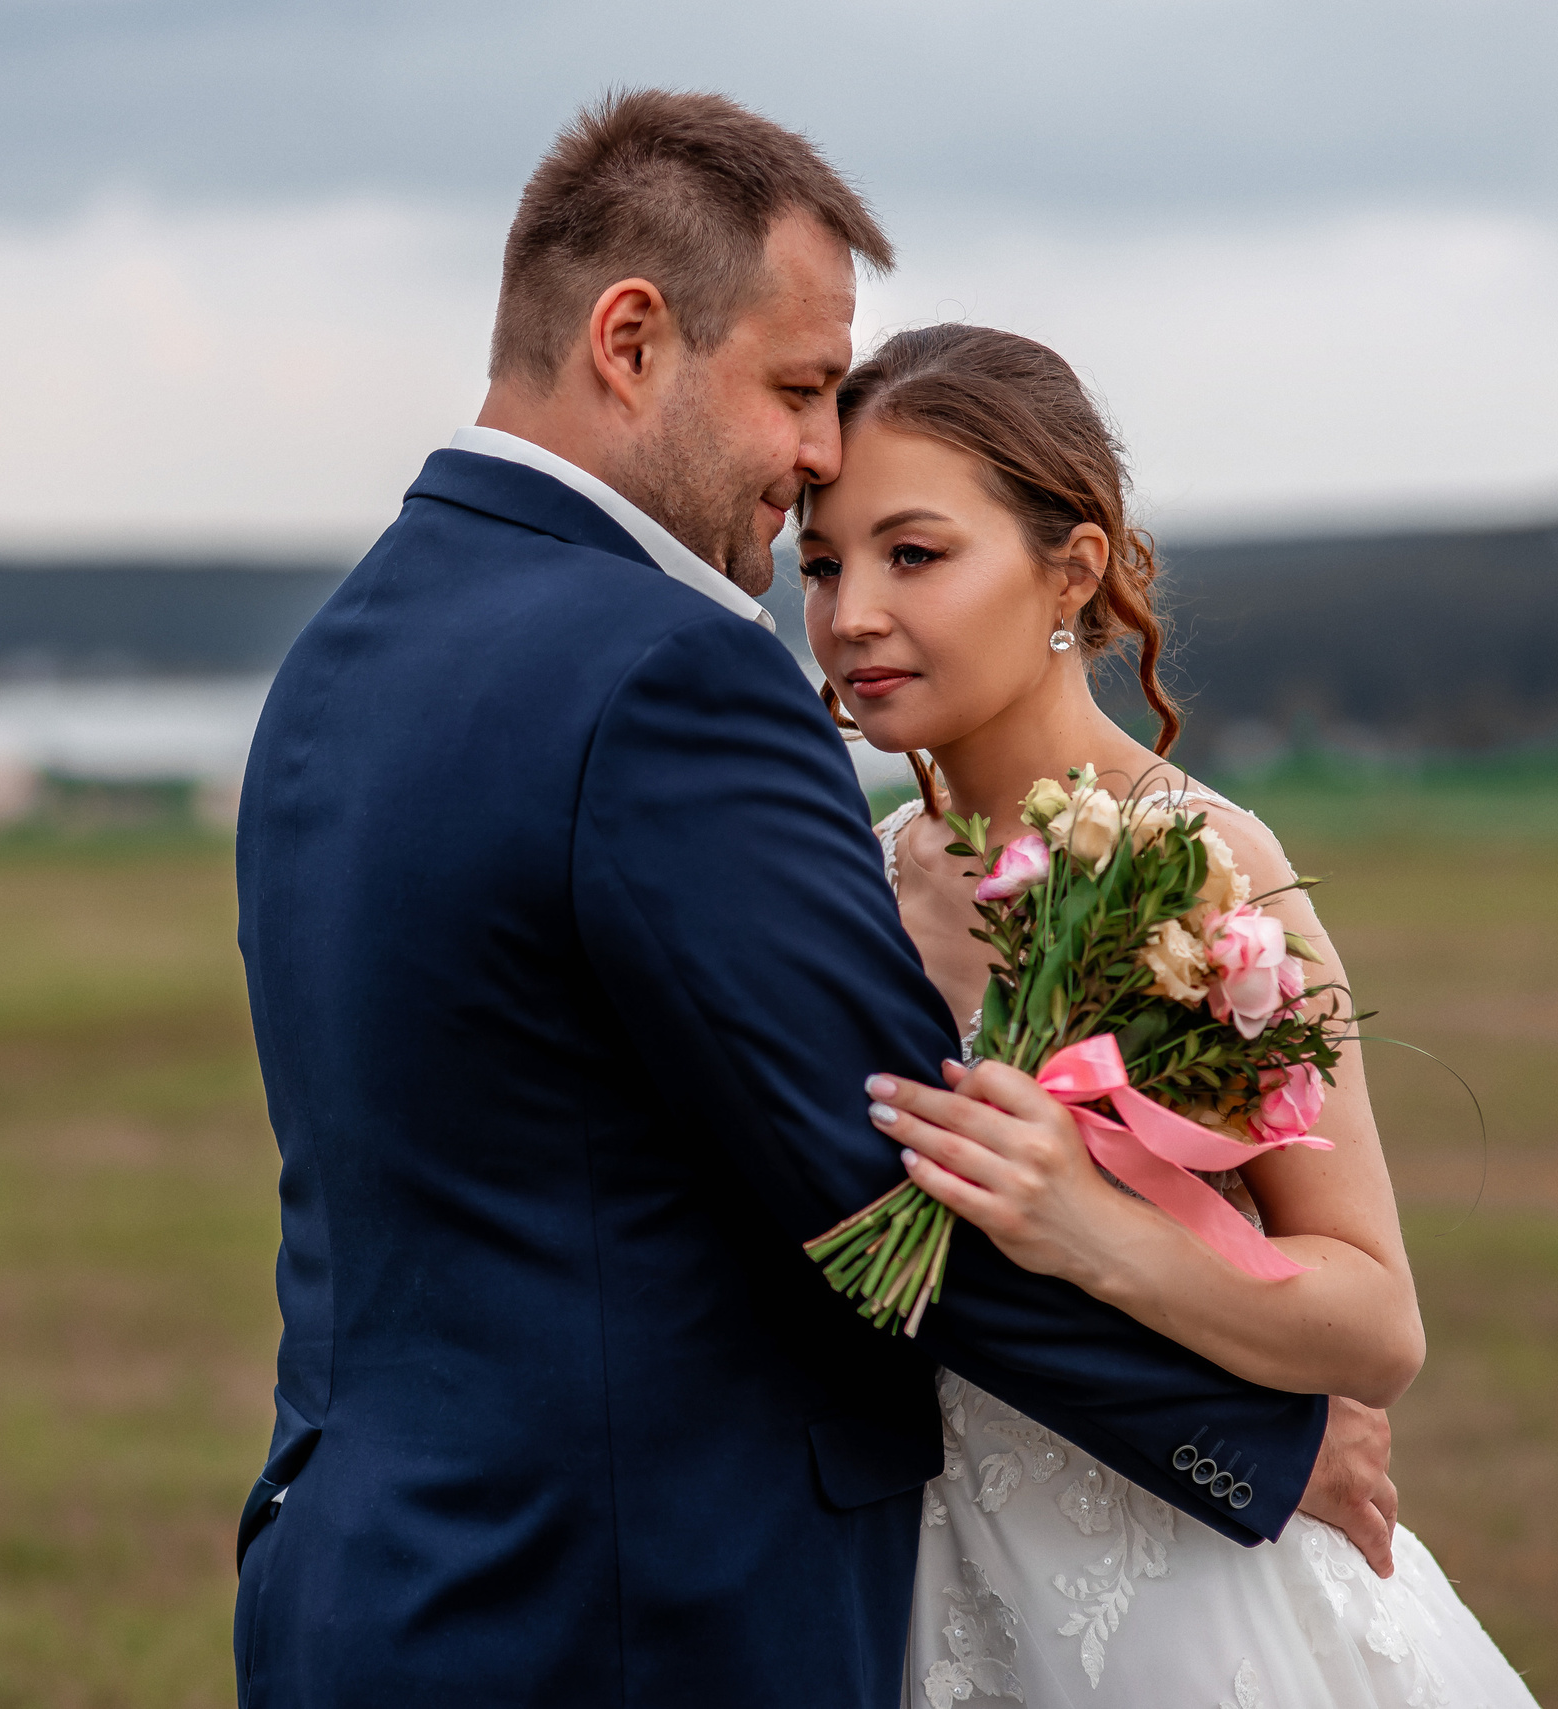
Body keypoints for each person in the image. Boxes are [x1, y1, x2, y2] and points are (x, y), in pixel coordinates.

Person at [231, 90, 1389, 1708]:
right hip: (617, 1617)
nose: (818, 453)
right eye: (795, 389)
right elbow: (877, 1180)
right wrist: (1262, 1438)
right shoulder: (665, 671)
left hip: (360, 1588)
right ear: (630, 338)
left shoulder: (339, 654)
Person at [802, 323, 1540, 1707]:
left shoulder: (1205, 868)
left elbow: (1375, 1318)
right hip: (910, 1594)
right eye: (824, 562)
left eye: (914, 554)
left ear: (1070, 569)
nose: (850, 614)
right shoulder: (855, 874)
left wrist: (1092, 1225)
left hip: (1180, 1600)